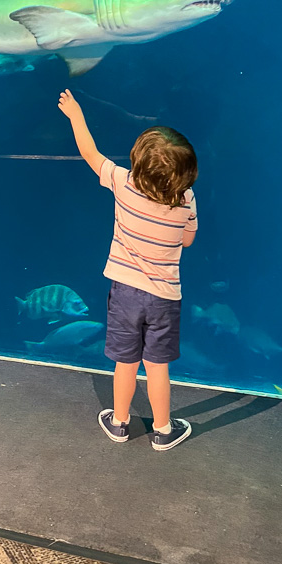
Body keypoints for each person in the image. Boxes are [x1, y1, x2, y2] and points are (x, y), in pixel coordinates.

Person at [58, 89, 197, 451]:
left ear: (137, 164)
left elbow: (91, 154)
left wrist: (76, 115)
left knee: (125, 362)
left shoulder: (123, 183)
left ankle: (119, 422)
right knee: (157, 366)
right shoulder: (186, 199)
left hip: (124, 292)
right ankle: (164, 430)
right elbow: (188, 241)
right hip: (165, 297)